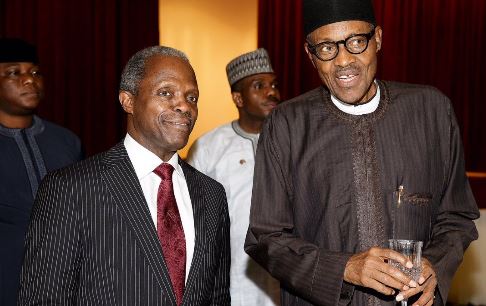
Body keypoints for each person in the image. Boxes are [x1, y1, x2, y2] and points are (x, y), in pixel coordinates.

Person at [244, 0, 480, 305]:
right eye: (327, 48)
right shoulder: (287, 125)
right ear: (310, 54)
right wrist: (343, 268)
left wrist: (434, 263)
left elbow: (457, 216)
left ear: (378, 39)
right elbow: (265, 237)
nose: (343, 61)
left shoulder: (431, 111)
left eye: (356, 42)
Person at [17, 46, 231, 305]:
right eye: (166, 93)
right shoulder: (71, 188)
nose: (184, 106)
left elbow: (217, 297)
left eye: (192, 97)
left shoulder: (211, 194)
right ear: (128, 100)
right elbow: (44, 299)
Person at [187, 48, 281, 306]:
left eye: (273, 85)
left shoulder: (292, 142)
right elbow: (191, 217)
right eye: (259, 86)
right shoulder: (209, 147)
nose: (271, 92)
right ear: (238, 98)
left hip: (284, 277)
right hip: (230, 277)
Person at [0, 38, 83, 306]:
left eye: (35, 72)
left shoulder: (66, 141)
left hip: (66, 279)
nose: (29, 80)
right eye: (14, 72)